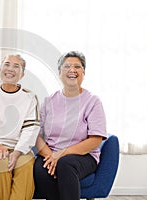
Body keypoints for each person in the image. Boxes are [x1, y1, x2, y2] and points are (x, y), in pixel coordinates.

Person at [34, 51, 107, 200]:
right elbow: (36, 135)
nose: (72, 70)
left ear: (83, 73)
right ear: (59, 73)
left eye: (77, 67)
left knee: (65, 164)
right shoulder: (49, 101)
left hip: (83, 155)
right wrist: (51, 156)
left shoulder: (92, 101)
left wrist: (61, 154)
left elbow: (96, 139)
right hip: (51, 152)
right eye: (67, 66)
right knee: (40, 170)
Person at [0, 54, 40, 200]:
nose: (10, 69)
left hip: (19, 148)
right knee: (2, 164)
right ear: (0, 69)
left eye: (16, 66)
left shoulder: (30, 97)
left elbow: (31, 129)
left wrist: (17, 152)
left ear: (22, 74)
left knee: (26, 164)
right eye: (7, 64)